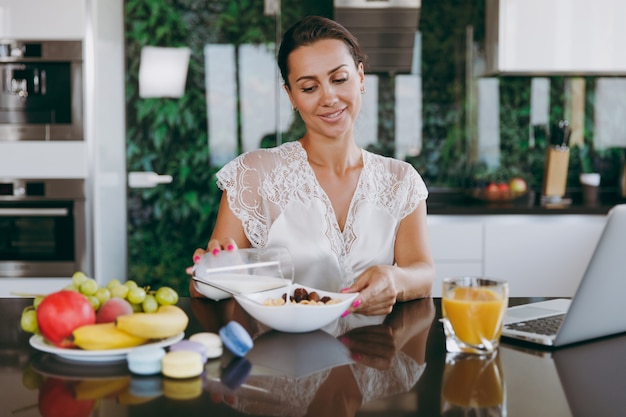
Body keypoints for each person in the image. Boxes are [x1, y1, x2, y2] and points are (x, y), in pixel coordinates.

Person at [188, 15, 435, 316]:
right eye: (308, 87)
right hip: (280, 356)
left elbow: (422, 274)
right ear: (291, 95)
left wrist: (395, 280)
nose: (329, 97)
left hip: (375, 354)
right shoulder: (253, 175)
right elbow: (206, 288)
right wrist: (212, 272)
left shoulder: (401, 180)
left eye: (339, 79)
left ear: (360, 77)